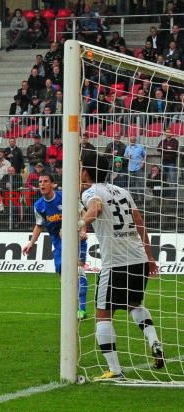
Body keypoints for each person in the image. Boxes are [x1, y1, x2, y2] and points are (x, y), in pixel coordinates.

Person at [80, 153, 164, 381]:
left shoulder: (90, 192)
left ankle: (115, 371)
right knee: (133, 304)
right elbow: (139, 222)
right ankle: (153, 340)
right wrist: (150, 258)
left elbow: (95, 208)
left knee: (102, 315)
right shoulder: (122, 192)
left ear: (86, 172)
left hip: (115, 263)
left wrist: (79, 223)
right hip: (138, 258)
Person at [22, 173, 89, 321]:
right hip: (58, 244)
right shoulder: (39, 205)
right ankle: (71, 305)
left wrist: (83, 230)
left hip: (77, 239)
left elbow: (84, 213)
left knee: (78, 271)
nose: (42, 184)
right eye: (40, 182)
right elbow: (39, 225)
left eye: (46, 181)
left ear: (52, 184)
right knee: (63, 276)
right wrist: (31, 243)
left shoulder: (66, 197)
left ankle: (82, 309)